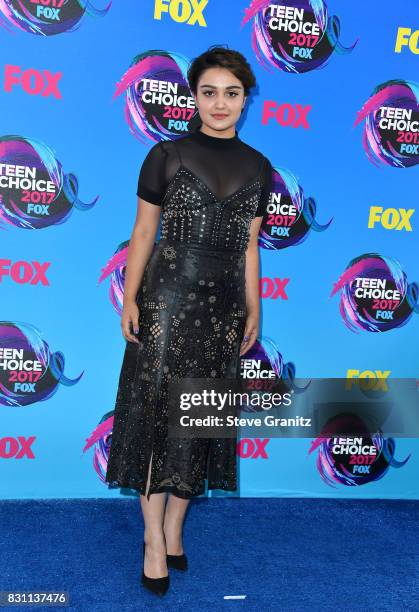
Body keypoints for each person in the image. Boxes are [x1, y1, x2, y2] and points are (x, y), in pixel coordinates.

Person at [105, 45, 273, 596]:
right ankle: (152, 539)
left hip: (224, 312)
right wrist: (129, 298)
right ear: (193, 96)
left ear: (245, 100)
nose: (219, 103)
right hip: (166, 307)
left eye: (231, 93)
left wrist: (255, 307)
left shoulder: (259, 167)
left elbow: (249, 247)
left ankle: (175, 526)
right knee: (155, 425)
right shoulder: (166, 155)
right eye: (208, 92)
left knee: (197, 424)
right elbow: (144, 233)